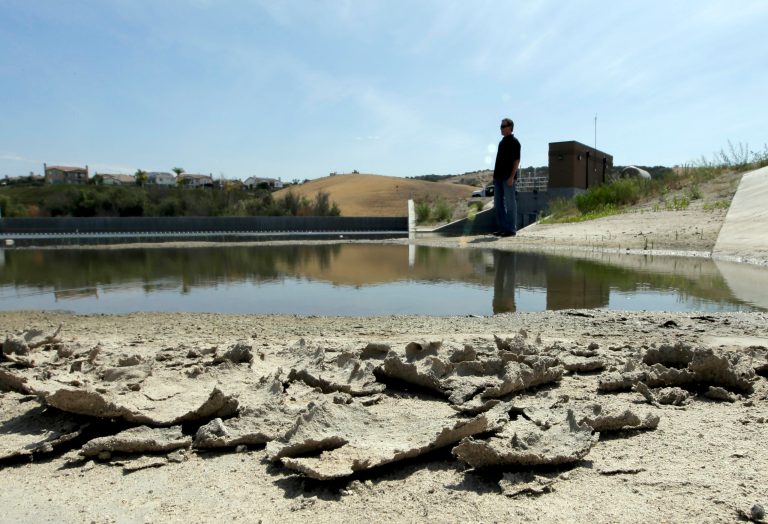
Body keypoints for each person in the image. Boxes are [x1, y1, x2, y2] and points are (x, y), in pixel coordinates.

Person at [492, 118, 521, 237]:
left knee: (510, 203)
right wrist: (494, 176)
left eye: (503, 126)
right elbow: (498, 161)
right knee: (498, 203)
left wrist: (512, 177)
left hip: (508, 178)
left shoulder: (515, 142)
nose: (501, 128)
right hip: (498, 178)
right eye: (500, 126)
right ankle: (502, 228)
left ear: (510, 127)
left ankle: (511, 229)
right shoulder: (501, 143)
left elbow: (517, 160)